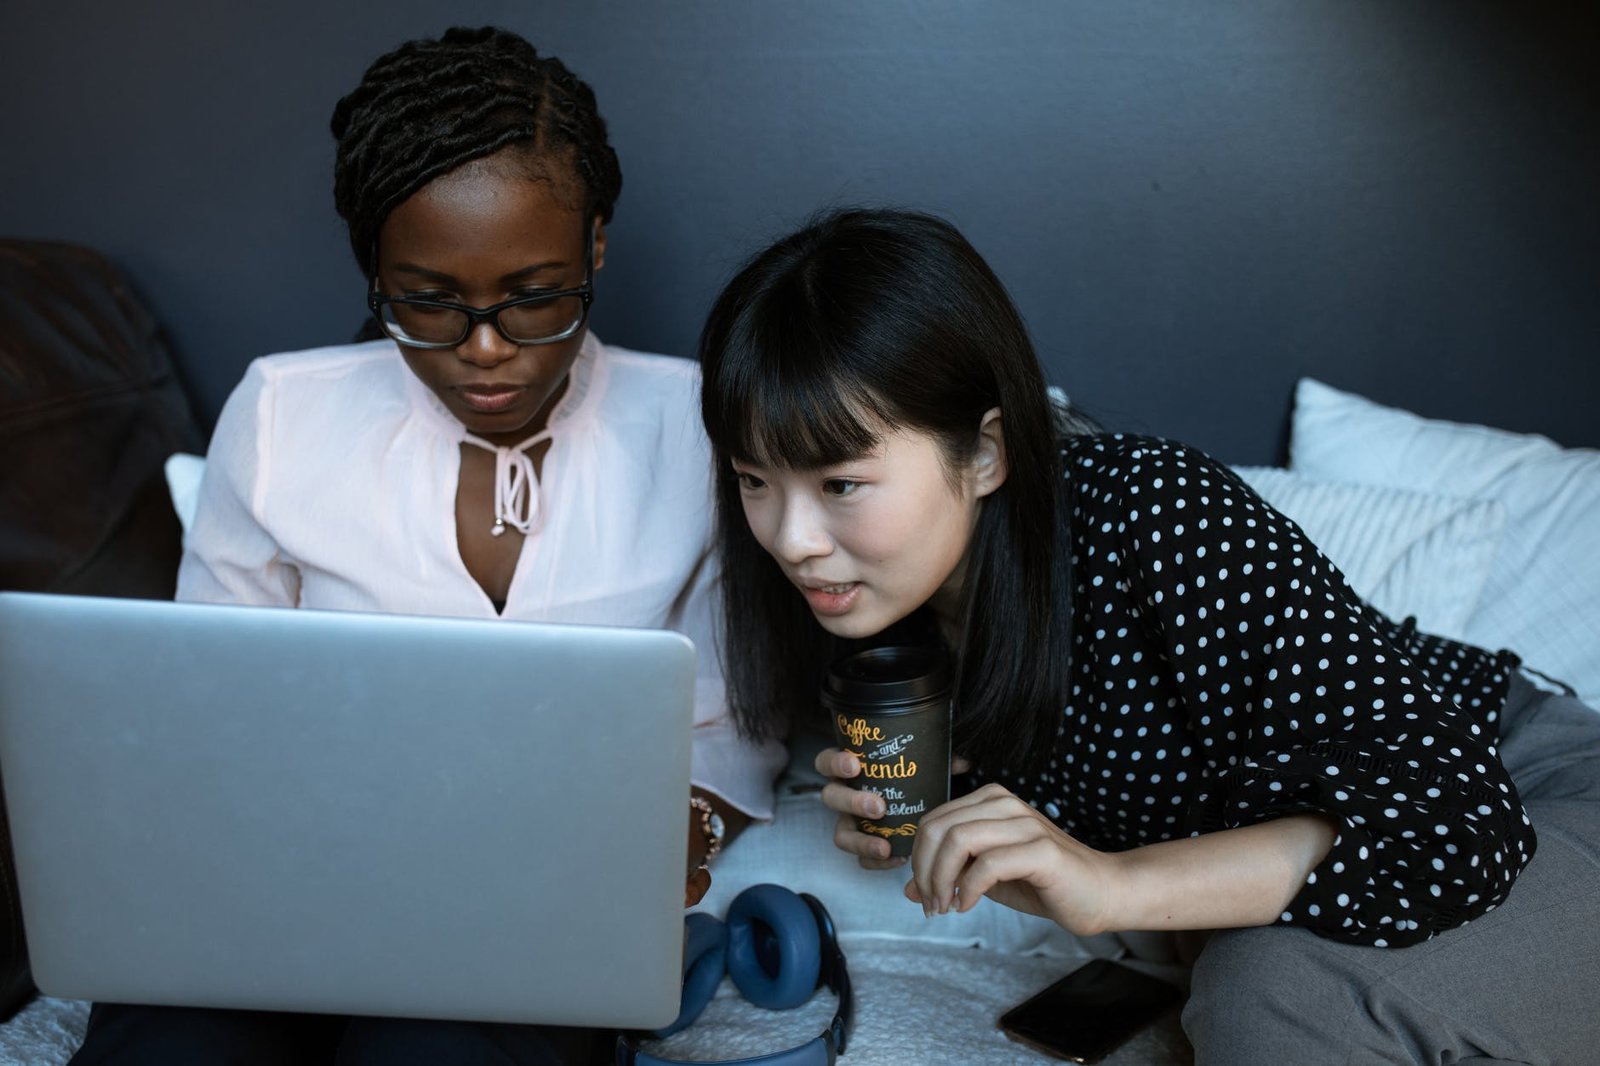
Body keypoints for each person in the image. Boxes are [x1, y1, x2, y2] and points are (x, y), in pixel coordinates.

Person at [696, 207, 1600, 1065]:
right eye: (754, 480)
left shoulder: (1148, 509)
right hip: (1397, 862)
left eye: (842, 484)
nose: (790, 539)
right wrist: (948, 833)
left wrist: (1116, 885)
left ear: (984, 453)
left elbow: (1450, 819)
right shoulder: (890, 623)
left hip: (1515, 784)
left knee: (1273, 994)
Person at [71, 26, 783, 1066]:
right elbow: (207, 716)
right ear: (376, 269)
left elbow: (735, 724)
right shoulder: (279, 415)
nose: (485, 349)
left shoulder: (696, 430)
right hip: (285, 883)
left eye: (536, 296)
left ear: (594, 246)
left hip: (538, 912)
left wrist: (686, 830)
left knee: (435, 1044)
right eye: (428, 303)